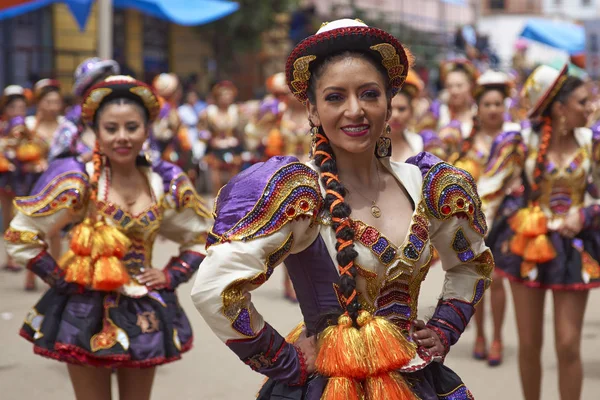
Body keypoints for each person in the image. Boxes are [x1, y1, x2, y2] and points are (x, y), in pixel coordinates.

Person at [192, 19, 493, 399]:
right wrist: (283, 359)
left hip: (418, 381)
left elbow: (471, 262)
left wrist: (444, 328)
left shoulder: (426, 185)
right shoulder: (301, 195)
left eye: (370, 94)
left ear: (389, 101)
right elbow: (213, 288)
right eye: (335, 97)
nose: (355, 110)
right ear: (313, 110)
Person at [4, 75, 211, 400]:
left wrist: (171, 274)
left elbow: (201, 236)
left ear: (147, 130)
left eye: (132, 127)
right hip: (84, 309)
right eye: (111, 129)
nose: (122, 137)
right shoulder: (78, 180)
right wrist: (59, 278)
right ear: (96, 133)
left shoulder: (162, 183)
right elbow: (21, 233)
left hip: (143, 307)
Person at [479, 64, 596, 400]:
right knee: (529, 344)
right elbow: (487, 191)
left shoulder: (592, 142)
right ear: (559, 108)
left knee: (568, 344)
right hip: (527, 245)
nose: (590, 107)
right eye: (582, 102)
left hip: (573, 248)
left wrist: (586, 212)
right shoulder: (521, 142)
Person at [452, 70, 519, 366]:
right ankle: (479, 333)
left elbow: (523, 174)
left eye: (498, 104)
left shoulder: (515, 140)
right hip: (470, 220)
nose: (493, 109)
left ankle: (497, 338)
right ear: (478, 107)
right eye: (487, 104)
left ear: (505, 107)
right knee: (476, 279)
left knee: (500, 281)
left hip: (505, 218)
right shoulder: (464, 139)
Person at [23, 79, 65, 290]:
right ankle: (31, 274)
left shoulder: (66, 127)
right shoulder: (28, 125)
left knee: (55, 231)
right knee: (34, 233)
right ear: (39, 103)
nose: (52, 106)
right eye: (48, 101)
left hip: (58, 185)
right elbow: (16, 152)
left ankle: (54, 274)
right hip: (32, 184)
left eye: (56, 102)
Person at [50, 57, 120, 163]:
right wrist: (82, 161)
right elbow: (55, 169)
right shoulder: (70, 128)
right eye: (100, 90)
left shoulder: (128, 123)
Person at [0, 85, 39, 272]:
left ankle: (20, 255)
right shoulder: (2, 127)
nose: (18, 111)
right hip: (7, 176)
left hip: (25, 175)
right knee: (9, 217)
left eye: (22, 107)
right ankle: (11, 257)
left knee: (22, 217)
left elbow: (38, 148)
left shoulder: (29, 126)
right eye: (13, 107)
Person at [420, 60, 478, 160]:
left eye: (459, 86)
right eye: (450, 86)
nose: (454, 91)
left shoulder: (478, 112)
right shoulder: (438, 111)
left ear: (470, 85)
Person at [199, 81, 244, 192]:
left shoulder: (237, 111)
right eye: (223, 95)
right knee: (216, 182)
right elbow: (201, 131)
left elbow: (242, 131)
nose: (226, 98)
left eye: (228, 95)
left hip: (233, 148)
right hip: (215, 149)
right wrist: (209, 139)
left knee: (234, 181)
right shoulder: (209, 113)